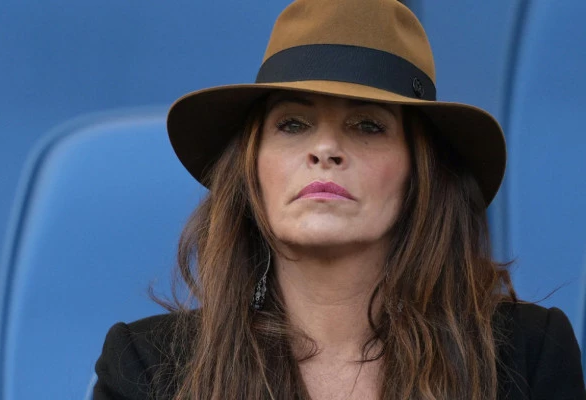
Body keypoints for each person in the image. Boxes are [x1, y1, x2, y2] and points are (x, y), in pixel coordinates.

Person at [93, 0, 585, 399]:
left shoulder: (528, 353)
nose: (325, 149)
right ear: (251, 169)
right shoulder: (145, 366)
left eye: (367, 125)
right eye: (293, 124)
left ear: (421, 172)